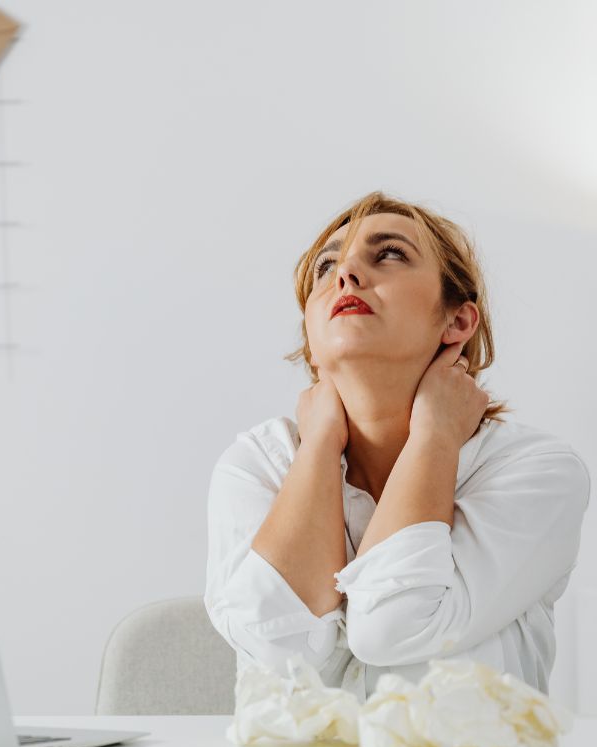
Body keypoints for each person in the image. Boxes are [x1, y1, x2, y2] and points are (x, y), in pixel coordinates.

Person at [204, 190, 591, 703]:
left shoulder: (537, 472)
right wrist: (319, 442)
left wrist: (434, 433)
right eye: (326, 266)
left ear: (457, 321)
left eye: (388, 253)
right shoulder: (258, 464)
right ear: (311, 337)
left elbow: (393, 628)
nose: (346, 275)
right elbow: (281, 650)